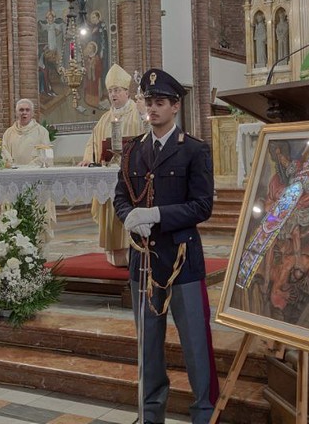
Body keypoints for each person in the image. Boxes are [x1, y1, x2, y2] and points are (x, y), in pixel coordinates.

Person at [114, 68, 217, 424]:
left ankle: (204, 415)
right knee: (148, 346)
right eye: (149, 102)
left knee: (196, 344)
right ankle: (150, 415)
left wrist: (157, 214)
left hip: (182, 259)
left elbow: (202, 206)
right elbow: (121, 196)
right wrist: (129, 216)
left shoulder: (194, 150)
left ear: (175, 106)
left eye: (160, 103)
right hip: (143, 261)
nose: (153, 109)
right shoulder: (133, 150)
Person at [78, 64, 146, 266]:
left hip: (133, 175)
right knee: (111, 211)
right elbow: (92, 142)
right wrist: (88, 158)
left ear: (127, 92)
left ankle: (135, 253)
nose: (113, 95)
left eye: (117, 90)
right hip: (110, 174)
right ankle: (114, 255)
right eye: (110, 91)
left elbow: (148, 134)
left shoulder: (137, 112)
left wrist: (144, 115)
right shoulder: (105, 118)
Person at [1, 99, 52, 166]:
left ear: (32, 113)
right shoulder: (8, 132)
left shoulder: (42, 132)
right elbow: (4, 152)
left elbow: (44, 154)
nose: (24, 112)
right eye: (21, 110)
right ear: (16, 113)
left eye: (27, 110)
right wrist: (12, 166)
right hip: (13, 170)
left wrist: (28, 168)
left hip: (34, 170)